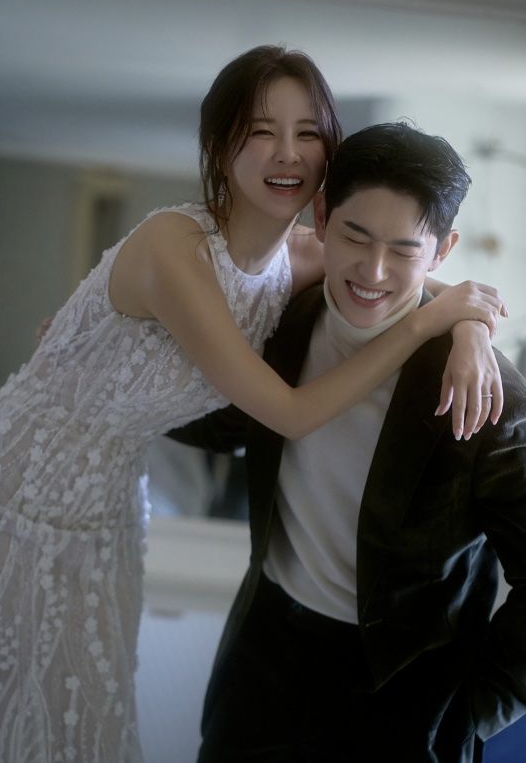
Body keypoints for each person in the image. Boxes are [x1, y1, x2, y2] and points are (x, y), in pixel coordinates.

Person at [0, 45, 504, 762]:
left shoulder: (303, 257)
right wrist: (428, 325)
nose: (287, 152)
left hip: (108, 501)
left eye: (307, 132)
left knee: (83, 709)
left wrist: (470, 330)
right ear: (219, 145)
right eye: (261, 130)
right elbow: (291, 413)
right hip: (19, 487)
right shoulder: (173, 247)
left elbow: (414, 273)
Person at [170, 122, 526, 763]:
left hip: (404, 693)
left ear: (443, 250)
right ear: (322, 217)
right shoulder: (279, 323)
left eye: (403, 250)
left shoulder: (485, 387)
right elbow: (219, 421)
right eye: (355, 236)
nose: (373, 271)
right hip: (263, 664)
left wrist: (469, 712)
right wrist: (112, 366)